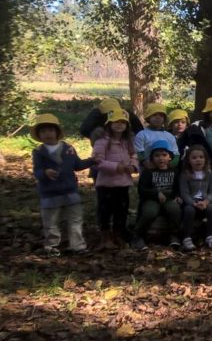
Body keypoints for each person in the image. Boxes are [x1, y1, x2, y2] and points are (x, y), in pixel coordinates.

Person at [31, 113, 93, 256]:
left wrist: (92, 161)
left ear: (57, 132)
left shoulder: (68, 149)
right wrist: (45, 173)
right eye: (43, 131)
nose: (48, 134)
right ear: (39, 135)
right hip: (49, 193)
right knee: (51, 222)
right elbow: (37, 171)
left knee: (75, 220)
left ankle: (78, 246)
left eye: (51, 130)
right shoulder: (39, 152)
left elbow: (77, 165)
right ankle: (51, 246)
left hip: (70, 191)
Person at [93, 109, 138, 250]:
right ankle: (105, 236)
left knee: (122, 209)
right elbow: (97, 161)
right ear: (109, 124)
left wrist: (134, 166)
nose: (119, 125)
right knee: (105, 210)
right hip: (106, 183)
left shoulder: (127, 141)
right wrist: (115, 166)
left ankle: (119, 233)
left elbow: (134, 155)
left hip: (123, 182)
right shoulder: (102, 142)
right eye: (116, 122)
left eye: (123, 122)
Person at [131, 140, 180, 251]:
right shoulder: (148, 172)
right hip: (152, 199)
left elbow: (178, 187)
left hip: (169, 198)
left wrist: (177, 196)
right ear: (152, 158)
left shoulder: (175, 172)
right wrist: (156, 193)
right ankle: (138, 236)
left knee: (174, 209)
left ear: (170, 157)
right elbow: (142, 189)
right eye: (157, 155)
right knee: (150, 212)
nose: (161, 158)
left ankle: (174, 235)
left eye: (164, 155)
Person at [178, 145, 212, 250]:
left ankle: (210, 236)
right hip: (191, 202)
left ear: (205, 159)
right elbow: (184, 193)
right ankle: (187, 238)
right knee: (189, 211)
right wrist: (193, 203)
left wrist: (206, 201)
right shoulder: (185, 174)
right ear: (188, 160)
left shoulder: (209, 173)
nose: (198, 160)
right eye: (194, 158)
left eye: (201, 157)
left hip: (205, 202)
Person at [80, 97, 144, 141]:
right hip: (104, 142)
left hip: (125, 141)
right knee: (98, 131)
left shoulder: (127, 114)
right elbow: (84, 130)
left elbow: (140, 130)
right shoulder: (98, 116)